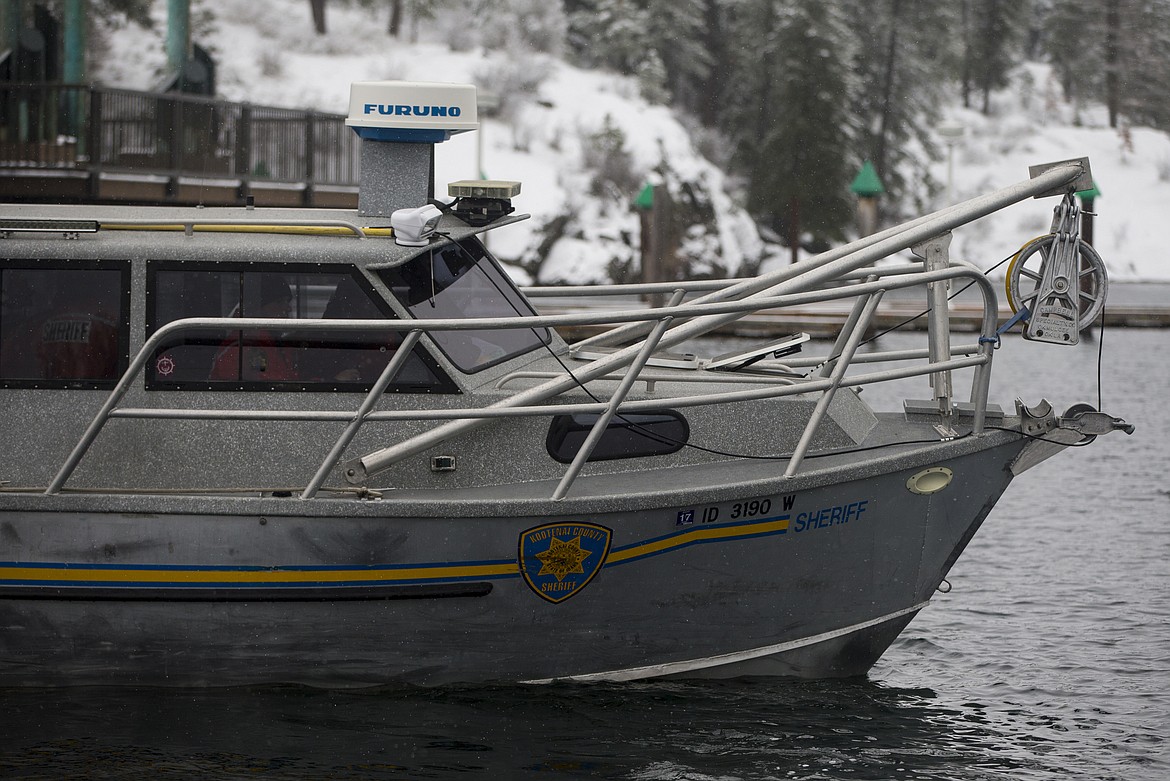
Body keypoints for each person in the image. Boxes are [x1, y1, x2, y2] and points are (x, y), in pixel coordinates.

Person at [209, 276, 299, 381]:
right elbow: (256, 387)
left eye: (287, 302)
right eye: (279, 302)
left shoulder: (270, 341)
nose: (288, 308)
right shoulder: (246, 345)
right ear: (258, 308)